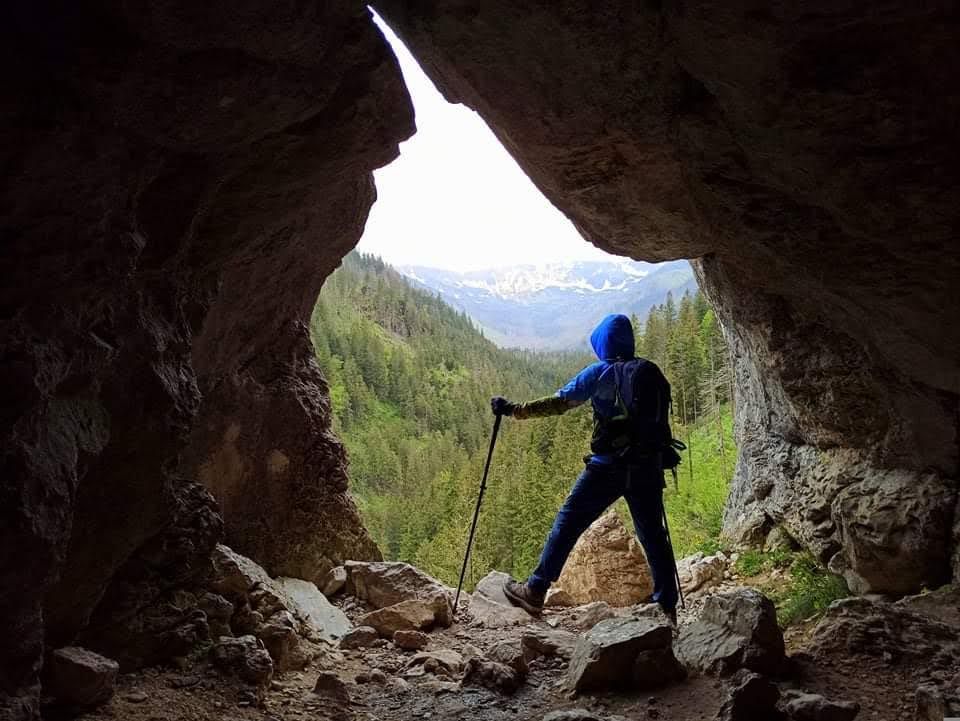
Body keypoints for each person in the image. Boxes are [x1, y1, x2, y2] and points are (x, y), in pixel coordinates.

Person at [491, 313, 680, 623]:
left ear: (603, 343)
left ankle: (535, 590)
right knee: (653, 535)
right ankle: (667, 607)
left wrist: (513, 410)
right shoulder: (649, 372)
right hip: (648, 466)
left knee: (568, 521)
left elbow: (559, 403)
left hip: (608, 468)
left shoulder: (600, 372)